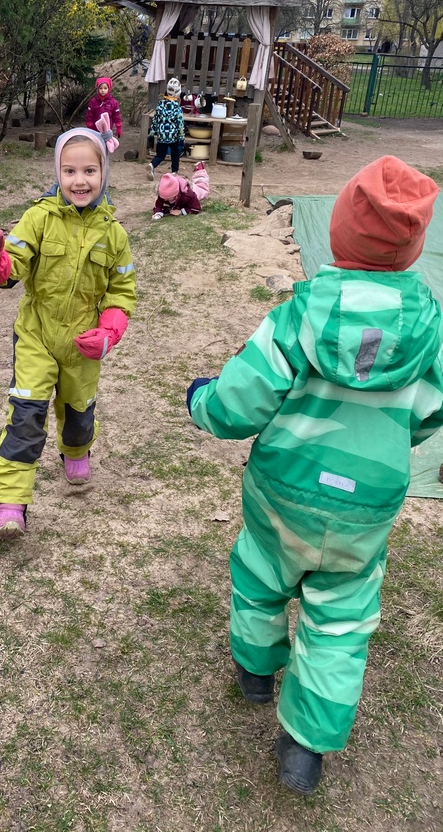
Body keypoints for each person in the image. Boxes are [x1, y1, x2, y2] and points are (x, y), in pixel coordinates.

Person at [186, 156, 443, 795]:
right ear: (413, 248)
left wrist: (202, 400)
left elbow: (239, 403)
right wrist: (391, 441)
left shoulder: (298, 315)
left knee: (260, 572)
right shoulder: (431, 334)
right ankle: (305, 749)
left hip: (283, 488)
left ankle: (255, 669)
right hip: (368, 504)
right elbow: (429, 414)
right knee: (341, 621)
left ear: (338, 233)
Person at [0, 120, 136, 540]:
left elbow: (122, 291)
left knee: (79, 412)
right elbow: (13, 265)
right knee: (26, 416)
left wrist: (109, 331)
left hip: (83, 345)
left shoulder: (114, 234)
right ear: (57, 173)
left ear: (104, 173)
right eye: (69, 170)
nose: (80, 181)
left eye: (89, 171)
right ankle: (10, 503)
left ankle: (76, 450)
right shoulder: (38, 218)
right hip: (37, 336)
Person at [147, 77, 185, 180]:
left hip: (161, 136)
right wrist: (182, 139)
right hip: (173, 136)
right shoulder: (177, 109)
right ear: (178, 93)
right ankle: (174, 172)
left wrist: (151, 135)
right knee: (175, 155)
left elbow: (155, 121)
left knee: (160, 155)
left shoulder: (160, 106)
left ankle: (152, 165)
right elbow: (180, 125)